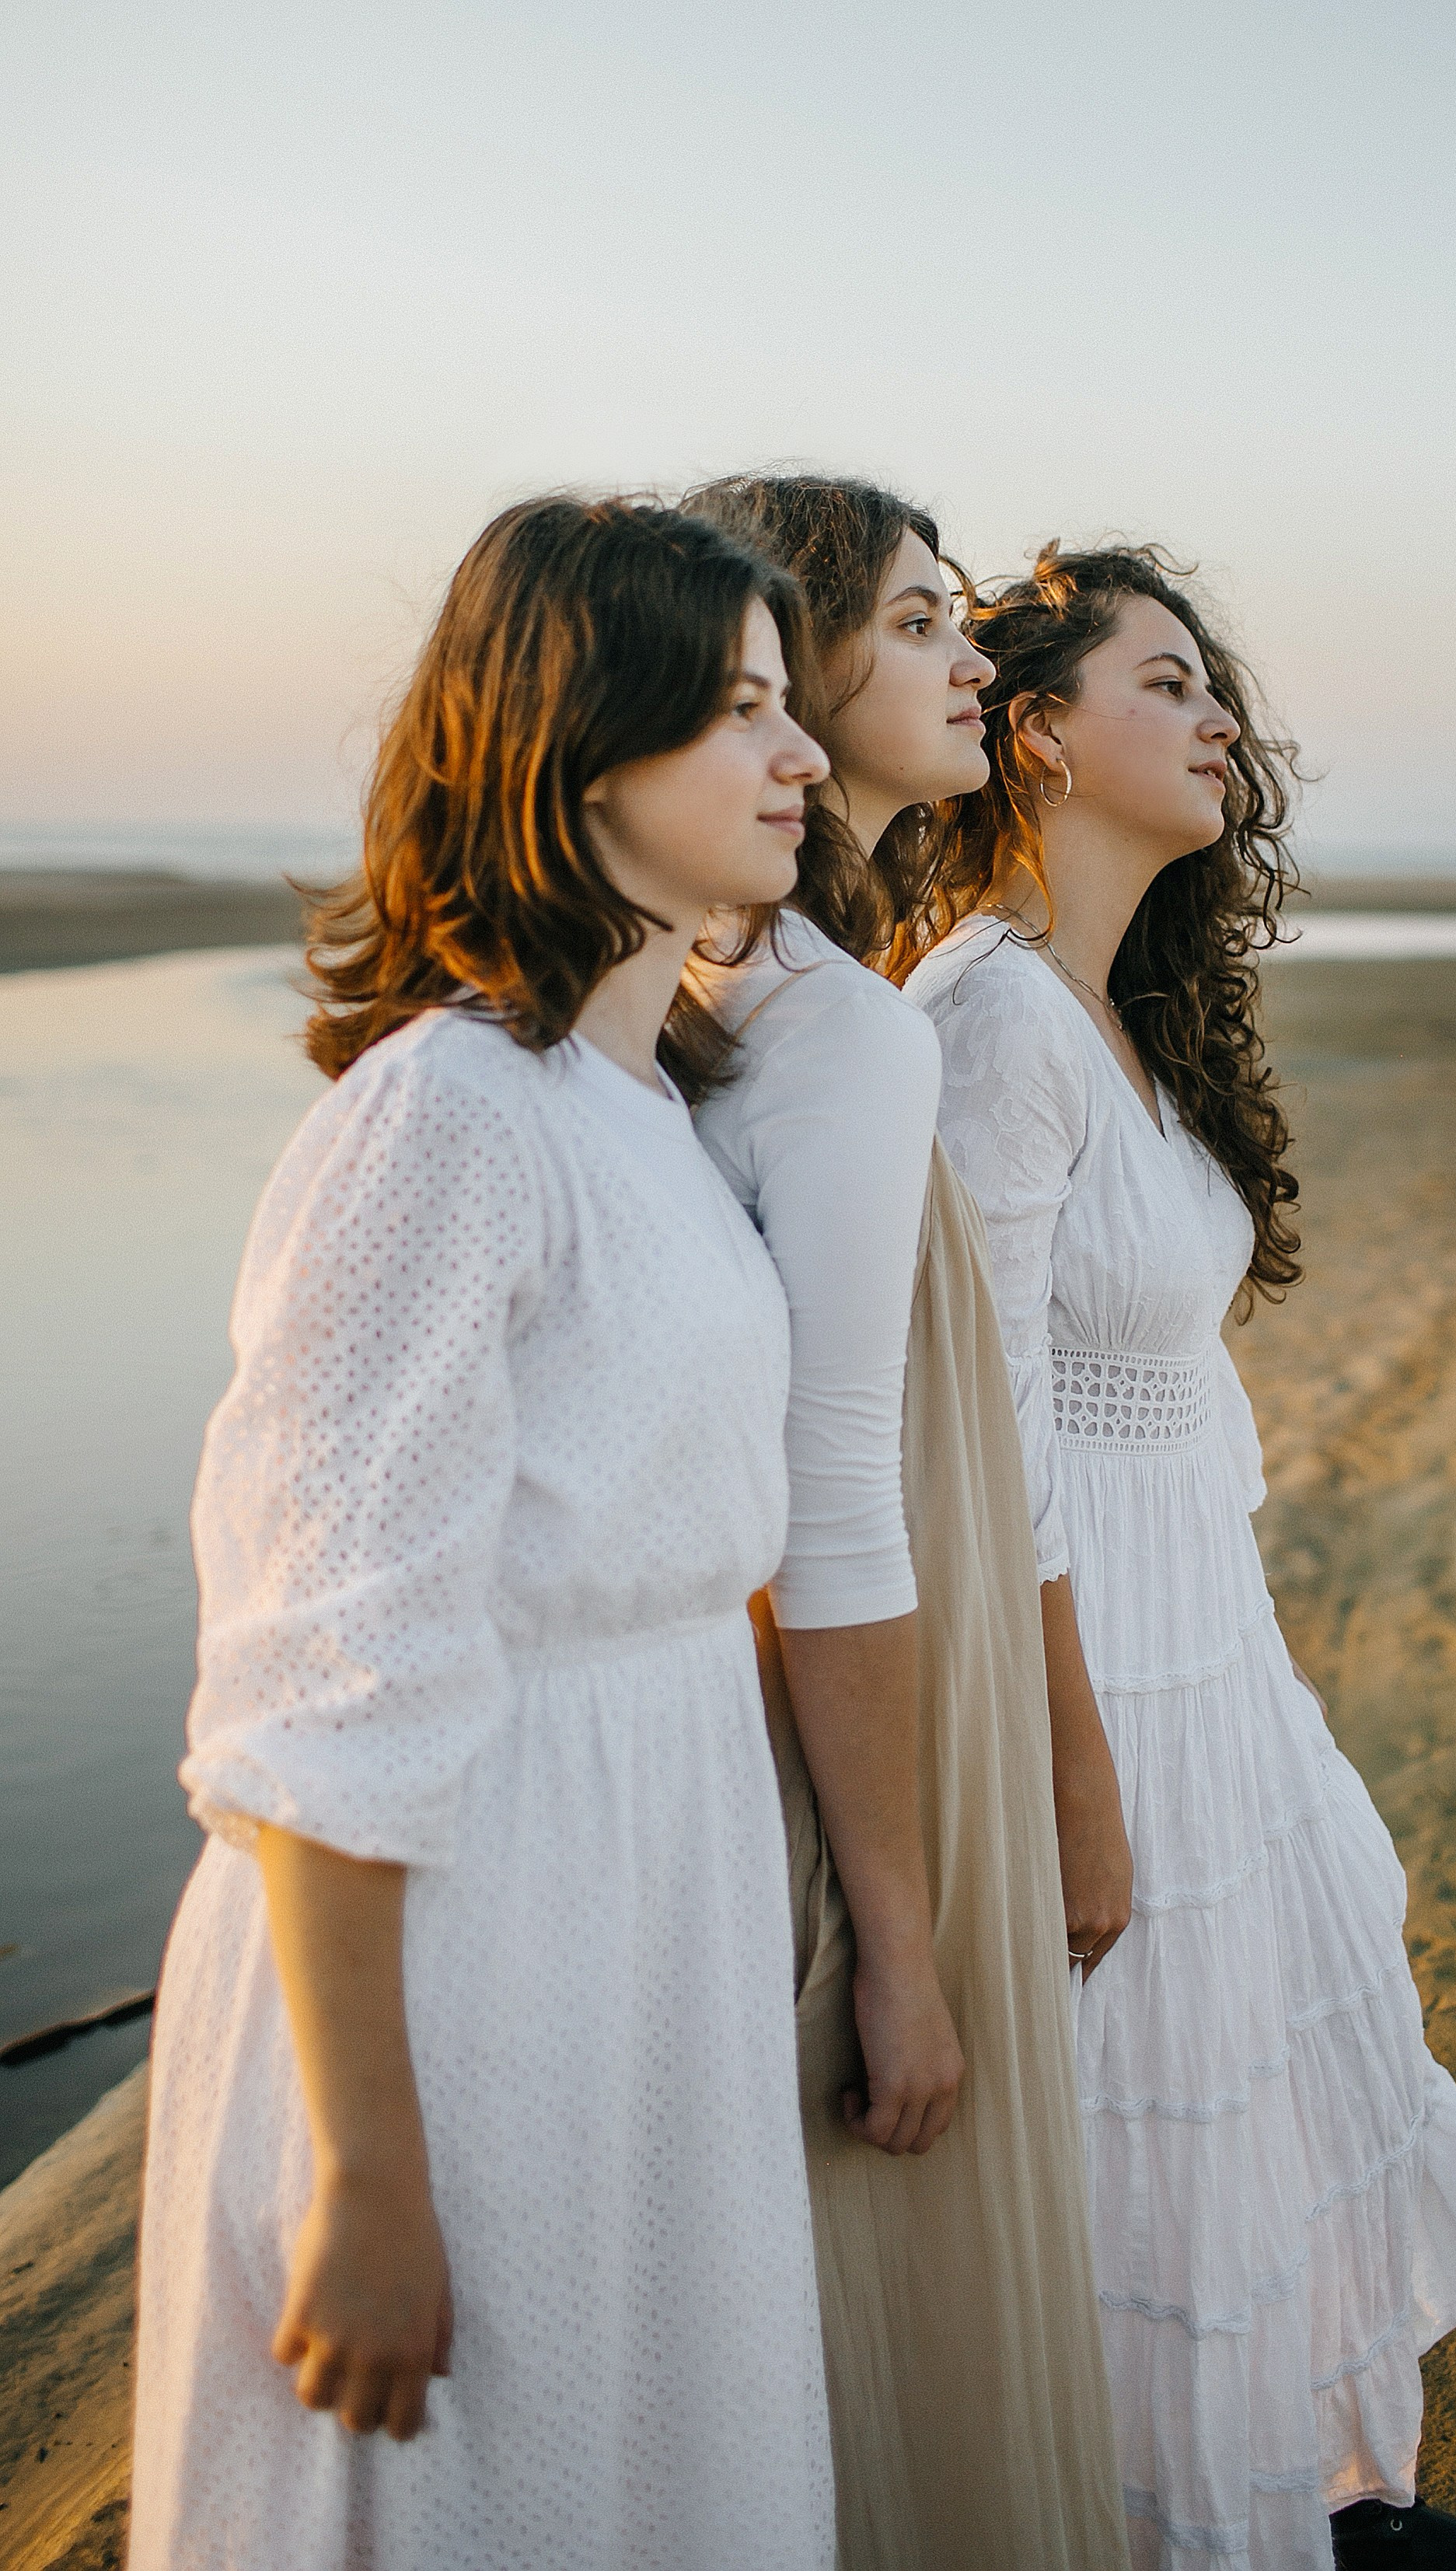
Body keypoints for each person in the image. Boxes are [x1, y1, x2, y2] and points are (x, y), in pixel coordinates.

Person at [129, 495, 837, 2571]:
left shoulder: (647, 1112)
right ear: (582, 749)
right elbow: (322, 1686)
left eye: (792, 705)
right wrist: (362, 2168)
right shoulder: (444, 1116)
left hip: (650, 1894)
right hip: (477, 1931)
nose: (801, 754)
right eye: (740, 709)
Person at [905, 543, 1456, 2571]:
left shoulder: (1109, 1012)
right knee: (1137, 2133)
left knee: (1245, 2102)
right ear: (1035, 733)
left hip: (1199, 1640)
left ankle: (1308, 2500)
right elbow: (981, 1445)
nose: (1216, 721)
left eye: (1214, 689)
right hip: (1092, 1674)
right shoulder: (990, 1021)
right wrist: (1076, 1773)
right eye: (1166, 682)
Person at [686, 474, 1130, 2571]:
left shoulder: (814, 977)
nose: (975, 658)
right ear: (789, 654)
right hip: (876, 1682)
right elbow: (832, 1487)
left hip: (883, 1654)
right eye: (924, 621)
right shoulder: (820, 1017)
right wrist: (907, 1918)